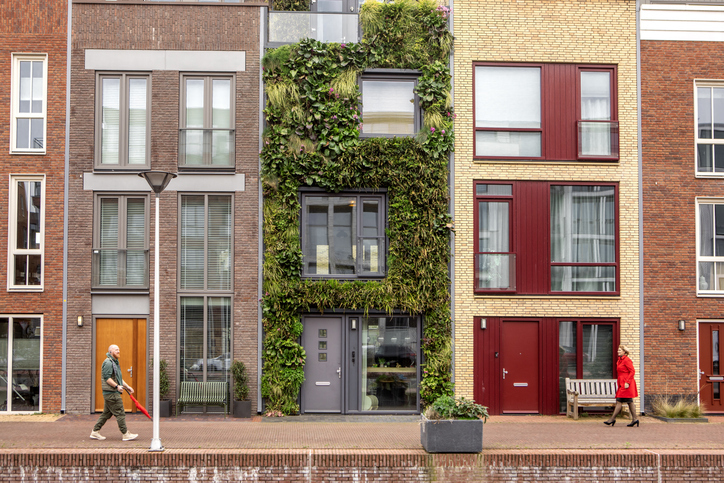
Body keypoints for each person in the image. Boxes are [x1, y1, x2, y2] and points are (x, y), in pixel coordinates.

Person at [90, 344, 138, 441]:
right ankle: (125, 434)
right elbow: (107, 378)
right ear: (111, 351)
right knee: (120, 413)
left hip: (110, 393)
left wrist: (127, 387)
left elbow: (118, 379)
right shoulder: (108, 363)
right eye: (116, 350)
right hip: (111, 393)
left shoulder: (114, 362)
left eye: (119, 349)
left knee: (106, 414)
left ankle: (95, 432)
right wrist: (116, 386)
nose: (118, 351)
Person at [604, 344, 640, 427]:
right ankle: (635, 419)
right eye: (618, 350)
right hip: (622, 383)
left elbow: (632, 371)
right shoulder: (619, 360)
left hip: (626, 384)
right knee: (629, 401)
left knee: (619, 400)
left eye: (619, 350)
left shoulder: (627, 360)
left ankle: (612, 419)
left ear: (624, 351)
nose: (618, 351)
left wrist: (627, 382)